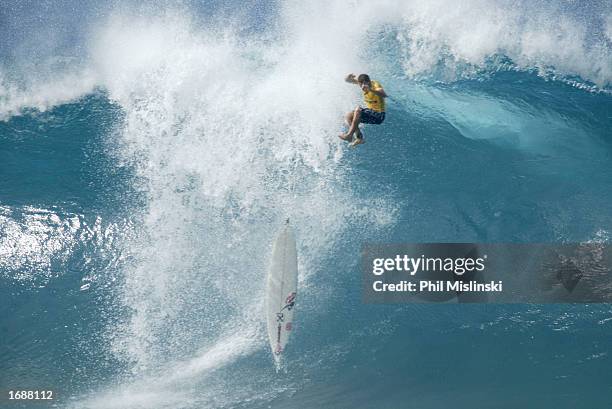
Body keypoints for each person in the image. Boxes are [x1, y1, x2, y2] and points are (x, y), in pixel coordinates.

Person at [339, 73, 387, 147]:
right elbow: (348, 80)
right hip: (370, 112)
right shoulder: (362, 84)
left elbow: (384, 95)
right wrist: (347, 77)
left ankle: (349, 135)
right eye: (360, 84)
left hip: (379, 115)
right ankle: (359, 138)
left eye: (364, 84)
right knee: (349, 116)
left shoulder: (375, 86)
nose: (362, 86)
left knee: (358, 109)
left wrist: (370, 89)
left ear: (369, 82)